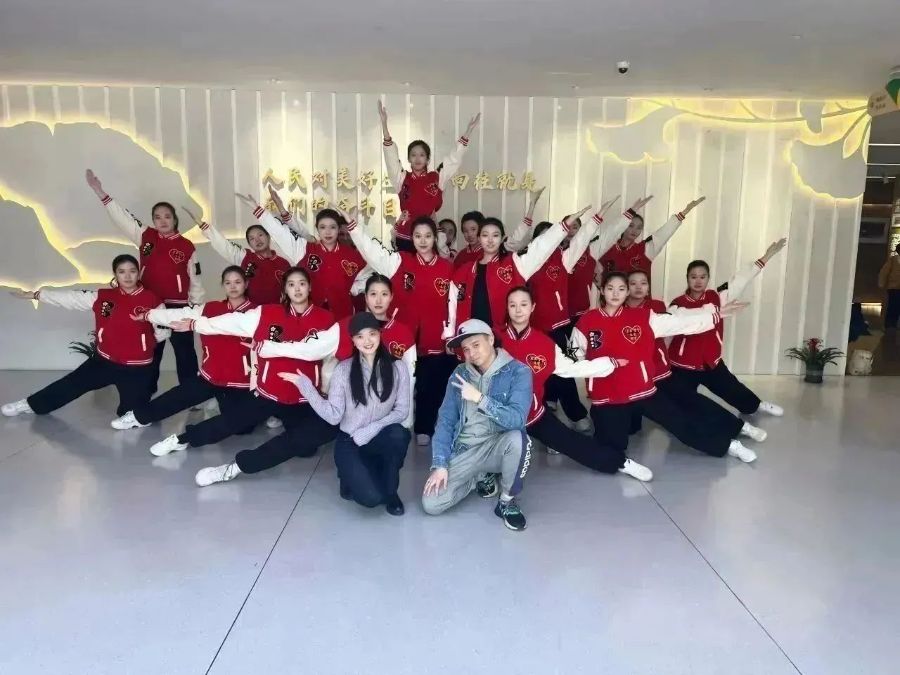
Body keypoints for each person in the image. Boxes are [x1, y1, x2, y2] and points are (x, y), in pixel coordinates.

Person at [148, 269, 338, 485]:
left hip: (303, 396)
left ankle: (266, 443)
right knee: (230, 421)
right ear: (285, 289)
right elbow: (230, 322)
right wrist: (195, 324)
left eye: (302, 283)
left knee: (306, 451)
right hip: (270, 390)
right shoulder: (267, 313)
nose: (297, 289)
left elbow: (329, 360)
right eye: (291, 284)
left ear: (309, 287)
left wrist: (325, 391)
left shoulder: (326, 319)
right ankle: (182, 439)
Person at [573, 271, 753, 479]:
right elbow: (574, 355)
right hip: (608, 396)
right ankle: (623, 463)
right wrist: (598, 368)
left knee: (681, 423)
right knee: (611, 444)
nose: (615, 294)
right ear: (602, 291)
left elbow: (680, 322)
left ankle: (728, 444)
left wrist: (716, 315)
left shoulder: (643, 317)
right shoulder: (587, 321)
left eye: (621, 289)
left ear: (627, 292)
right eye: (610, 288)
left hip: (643, 390)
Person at [501, 287, 654, 478]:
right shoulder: (494, 338)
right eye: (512, 305)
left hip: (531, 413)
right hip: (496, 414)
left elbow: (573, 368)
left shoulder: (545, 344)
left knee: (572, 442)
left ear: (532, 307)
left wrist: (609, 363)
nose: (518, 310)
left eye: (523, 304)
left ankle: (620, 462)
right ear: (507, 308)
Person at [625, 269, 767, 462]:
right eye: (633, 283)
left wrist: (716, 315)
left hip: (661, 373)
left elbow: (682, 322)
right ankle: (726, 444)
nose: (638, 287)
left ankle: (739, 427)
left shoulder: (655, 308)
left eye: (643, 283)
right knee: (675, 418)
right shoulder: (617, 315)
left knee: (697, 403)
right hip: (638, 383)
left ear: (648, 287)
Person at [2, 254, 167, 420]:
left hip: (137, 368)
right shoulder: (103, 296)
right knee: (70, 384)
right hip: (104, 361)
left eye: (132, 271)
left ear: (138, 273)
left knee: (132, 415)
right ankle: (30, 404)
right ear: (115, 274)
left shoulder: (152, 300)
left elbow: (163, 332)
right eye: (122, 271)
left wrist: (142, 344)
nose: (128, 276)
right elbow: (71, 298)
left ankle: (134, 414)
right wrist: (37, 295)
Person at [280, 312, 410, 515]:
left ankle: (391, 492)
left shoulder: (398, 367)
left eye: (372, 334)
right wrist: (306, 387)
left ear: (380, 334)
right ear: (353, 340)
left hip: (378, 436)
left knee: (399, 435)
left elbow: (402, 410)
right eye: (360, 336)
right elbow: (333, 415)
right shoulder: (343, 370)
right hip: (350, 441)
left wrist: (372, 429)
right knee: (371, 499)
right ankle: (348, 474)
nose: (367, 341)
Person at [343, 211, 455, 446]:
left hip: (434, 337)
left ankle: (424, 427)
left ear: (435, 238)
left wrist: (450, 333)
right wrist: (354, 227)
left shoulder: (447, 268)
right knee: (392, 381)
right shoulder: (400, 262)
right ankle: (388, 424)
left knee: (429, 386)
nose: (423, 241)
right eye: (418, 236)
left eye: (427, 236)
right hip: (400, 335)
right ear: (411, 238)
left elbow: (454, 303)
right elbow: (371, 251)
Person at [85, 170, 204, 389]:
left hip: (178, 308)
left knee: (185, 351)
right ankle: (146, 390)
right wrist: (100, 192)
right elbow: (123, 218)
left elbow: (195, 279)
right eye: (157, 217)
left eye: (167, 216)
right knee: (152, 349)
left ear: (174, 219)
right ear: (153, 220)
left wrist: (195, 307)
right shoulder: (145, 236)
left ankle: (190, 393)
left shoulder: (187, 246)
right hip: (149, 304)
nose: (162, 220)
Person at [256, 273, 416, 429]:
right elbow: (309, 349)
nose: (379, 300)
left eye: (384, 294)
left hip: (384, 413)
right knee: (305, 439)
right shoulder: (345, 326)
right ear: (366, 297)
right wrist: (268, 348)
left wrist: (406, 422)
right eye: (373, 294)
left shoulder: (403, 333)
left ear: (391, 297)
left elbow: (409, 376)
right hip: (344, 410)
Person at [109, 266, 258, 432]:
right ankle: (138, 417)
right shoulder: (210, 308)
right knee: (177, 397)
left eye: (237, 282)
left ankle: (219, 403)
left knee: (243, 430)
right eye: (228, 282)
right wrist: (148, 315)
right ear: (223, 285)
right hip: (211, 376)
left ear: (246, 284)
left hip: (241, 381)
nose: (233, 286)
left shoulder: (257, 313)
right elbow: (179, 314)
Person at [422, 319, 533, 531]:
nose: (471, 353)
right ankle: (479, 476)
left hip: (496, 446)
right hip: (465, 450)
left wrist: (480, 399)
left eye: (476, 345)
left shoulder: (518, 372)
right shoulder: (459, 374)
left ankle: (507, 500)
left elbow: (517, 419)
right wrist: (440, 464)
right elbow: (445, 421)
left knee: (519, 440)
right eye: (466, 349)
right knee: (432, 504)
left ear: (490, 339)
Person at [447, 203, 617, 333]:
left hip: (503, 336)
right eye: (485, 235)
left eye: (495, 235)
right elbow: (452, 304)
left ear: (502, 238)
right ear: (479, 238)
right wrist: (449, 334)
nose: (490, 240)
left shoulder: (513, 264)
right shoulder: (465, 270)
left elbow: (541, 245)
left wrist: (565, 225)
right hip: (471, 336)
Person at [668, 239, 788, 417]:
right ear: (687, 278)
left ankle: (756, 405)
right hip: (682, 365)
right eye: (693, 277)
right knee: (679, 407)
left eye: (702, 277)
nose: (698, 281)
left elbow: (741, 279)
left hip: (710, 361)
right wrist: (714, 313)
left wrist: (766, 256)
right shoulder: (677, 304)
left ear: (708, 278)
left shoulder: (716, 297)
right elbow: (679, 321)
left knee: (734, 389)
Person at [237, 189, 365, 320]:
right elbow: (281, 233)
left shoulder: (353, 256)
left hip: (343, 316)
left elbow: (367, 276)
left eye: (332, 227)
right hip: (310, 316)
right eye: (322, 227)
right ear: (317, 229)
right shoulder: (306, 249)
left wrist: (351, 288)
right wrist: (258, 210)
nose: (327, 232)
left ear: (338, 229)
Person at [378, 100, 480, 251]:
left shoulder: (436, 177)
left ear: (427, 159)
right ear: (408, 159)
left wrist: (468, 132)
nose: (417, 159)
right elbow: (391, 161)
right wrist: (384, 126)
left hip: (428, 236)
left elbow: (453, 159)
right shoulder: (402, 178)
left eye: (421, 155)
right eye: (413, 155)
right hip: (405, 235)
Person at [181, 206, 290, 305]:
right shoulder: (245, 257)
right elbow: (224, 246)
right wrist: (202, 225)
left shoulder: (283, 263)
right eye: (252, 239)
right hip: (250, 313)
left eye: (260, 235)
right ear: (249, 244)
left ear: (268, 236)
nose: (257, 240)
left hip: (276, 312)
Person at [598, 197, 706, 275]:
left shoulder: (645, 249)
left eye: (639, 227)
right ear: (624, 226)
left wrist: (685, 211)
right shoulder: (607, 249)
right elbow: (595, 272)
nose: (635, 230)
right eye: (631, 226)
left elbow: (664, 233)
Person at [878, 242, 900, 330]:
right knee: (893, 306)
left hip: (894, 287)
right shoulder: (893, 260)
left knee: (895, 306)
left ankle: (893, 325)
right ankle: (890, 325)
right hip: (894, 287)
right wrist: (881, 283)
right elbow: (884, 272)